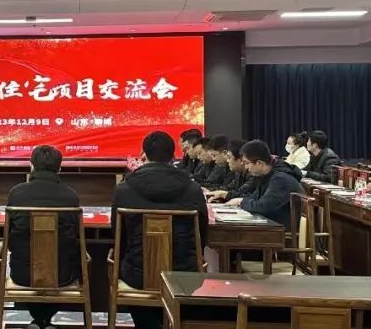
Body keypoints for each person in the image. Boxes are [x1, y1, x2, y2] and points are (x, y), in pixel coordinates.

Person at [113, 131, 207, 329]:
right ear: (173, 155)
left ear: (144, 154)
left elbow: (118, 236)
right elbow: (202, 235)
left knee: (122, 264)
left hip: (137, 275)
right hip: (183, 274)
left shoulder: (124, 188)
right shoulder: (193, 189)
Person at [7, 146, 80, 329]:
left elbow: (8, 242)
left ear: (31, 165)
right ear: (59, 168)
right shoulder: (71, 197)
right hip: (61, 275)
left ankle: (39, 321)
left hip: (23, 275)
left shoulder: (16, 194)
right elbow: (75, 238)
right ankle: (44, 321)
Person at [225, 140, 303, 227]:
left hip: (283, 231)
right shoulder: (265, 175)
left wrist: (241, 201)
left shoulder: (281, 179)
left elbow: (263, 207)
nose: (246, 167)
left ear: (259, 163)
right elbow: (255, 198)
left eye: (247, 163)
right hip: (272, 225)